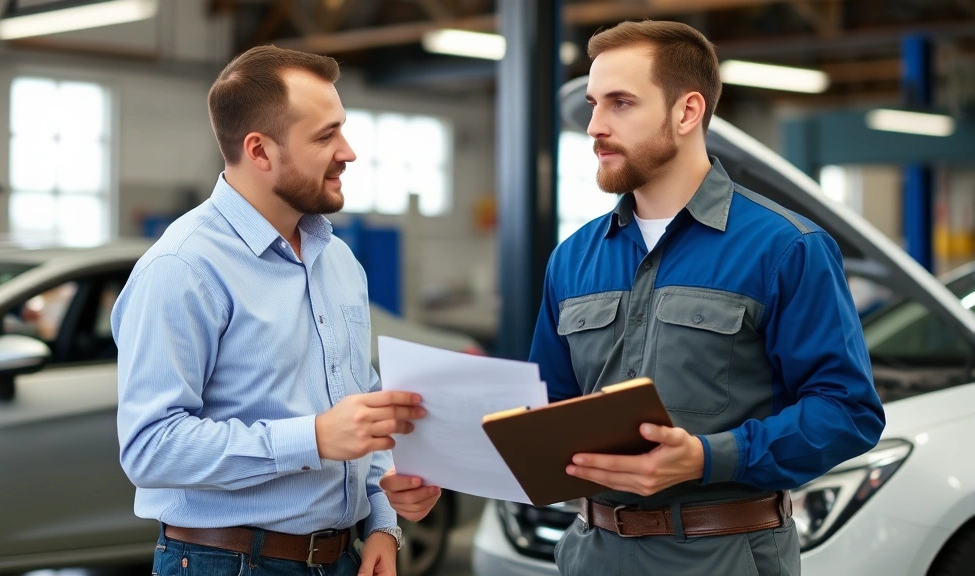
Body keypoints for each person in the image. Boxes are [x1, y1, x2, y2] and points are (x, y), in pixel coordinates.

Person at [383, 21, 885, 575]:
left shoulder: (787, 249)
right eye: (594, 103)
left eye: (621, 103)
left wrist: (705, 457)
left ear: (687, 112)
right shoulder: (573, 258)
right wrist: (444, 467)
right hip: (590, 554)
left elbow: (847, 412)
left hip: (724, 558)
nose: (595, 126)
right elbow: (546, 414)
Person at [112, 45, 422, 576]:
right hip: (226, 563)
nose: (347, 152)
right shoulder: (183, 266)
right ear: (259, 151)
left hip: (342, 558)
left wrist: (384, 521)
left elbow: (360, 406)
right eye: (325, 136)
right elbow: (150, 447)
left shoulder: (339, 260)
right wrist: (315, 437)